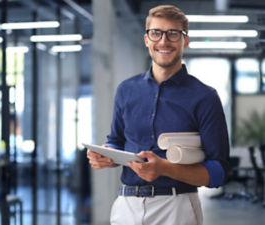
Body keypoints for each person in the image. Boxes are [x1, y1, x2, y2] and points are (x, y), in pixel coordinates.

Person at [87, 4, 229, 225]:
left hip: (176, 207)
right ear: (147, 40)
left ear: (185, 41)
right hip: (127, 206)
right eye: (156, 33)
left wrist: (165, 168)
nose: (163, 41)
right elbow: (116, 141)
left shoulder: (205, 97)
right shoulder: (126, 89)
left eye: (173, 33)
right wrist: (108, 155)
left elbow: (218, 172)